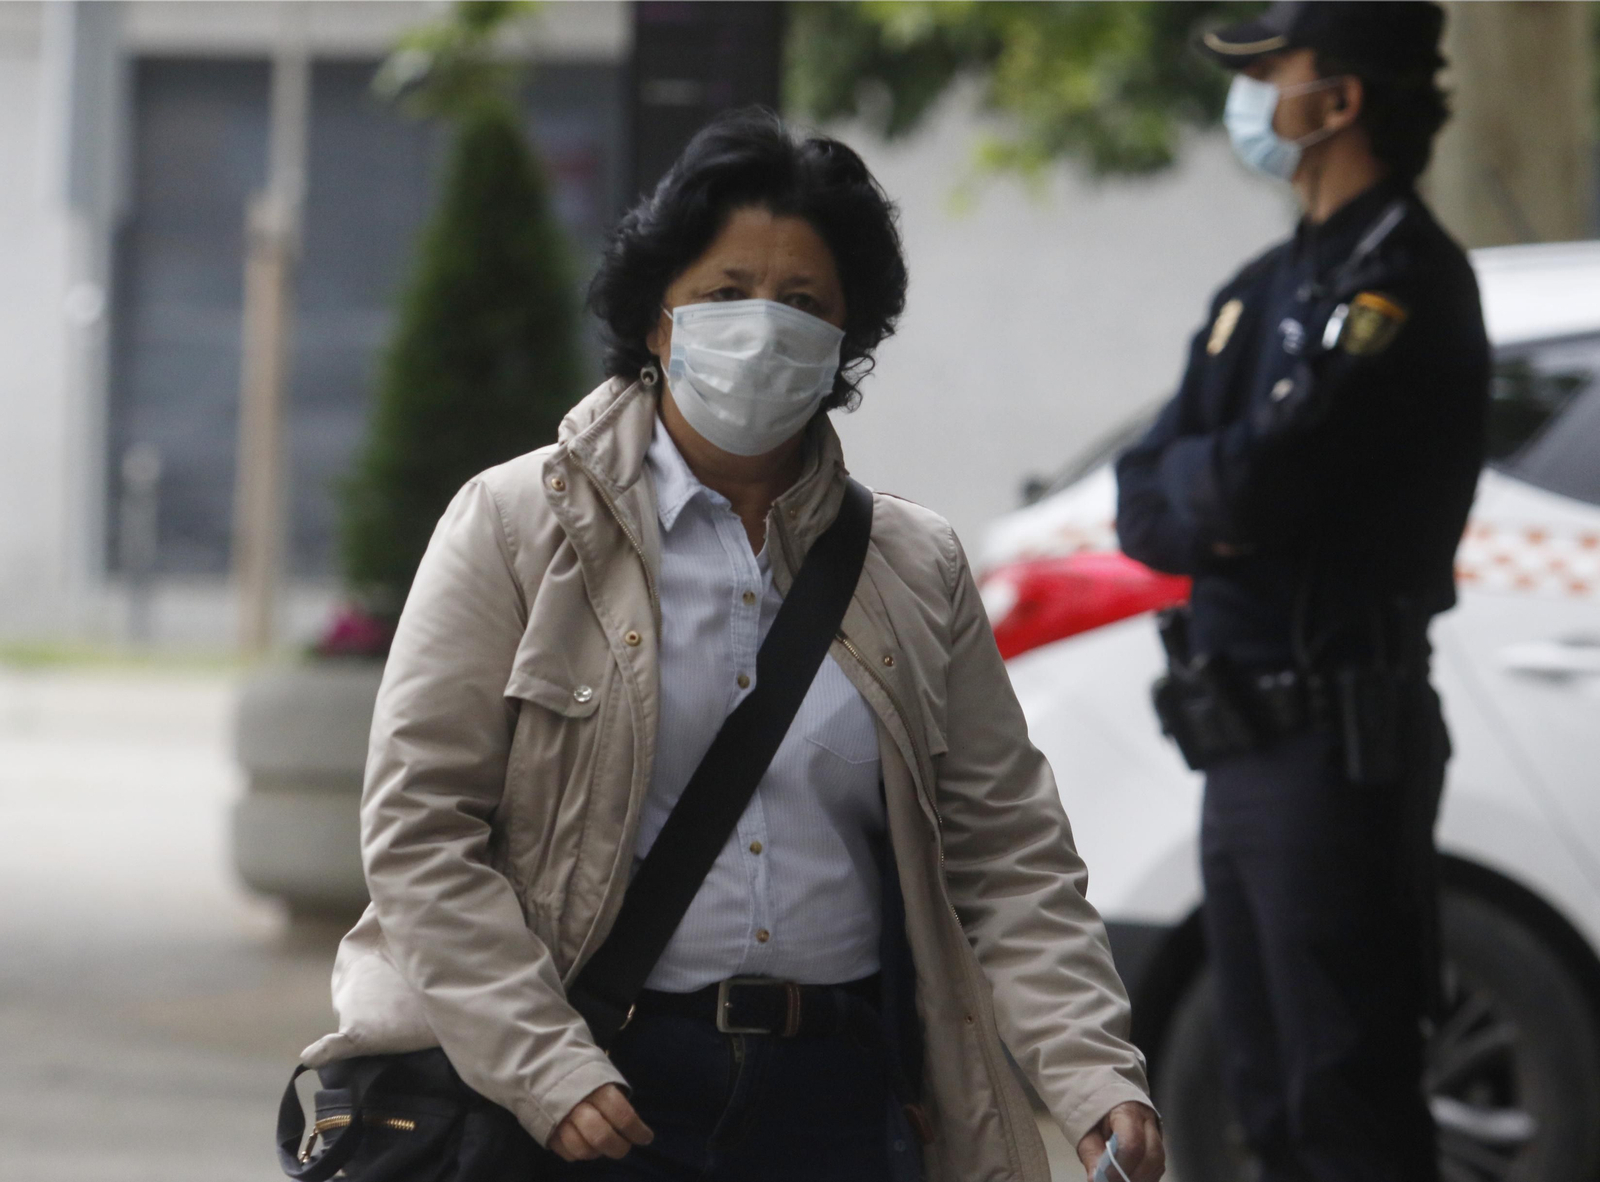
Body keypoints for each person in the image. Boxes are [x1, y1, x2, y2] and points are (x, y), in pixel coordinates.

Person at [303, 109, 1164, 1182]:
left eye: (803, 303)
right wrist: (544, 1066)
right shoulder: (519, 526)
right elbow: (422, 827)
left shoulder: (913, 565)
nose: (762, 329)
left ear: (847, 338)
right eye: (724, 295)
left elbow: (1008, 856)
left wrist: (1092, 1075)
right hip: (593, 1090)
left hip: (836, 1101)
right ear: (657, 320)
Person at [1114, 5, 1488, 1181]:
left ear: (1340, 102)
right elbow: (1146, 500)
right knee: (1264, 1095)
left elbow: (1265, 489)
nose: (1252, 98)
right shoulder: (1262, 287)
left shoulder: (1406, 284)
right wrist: (1214, 495)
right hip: (1240, 746)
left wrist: (1219, 497)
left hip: (1338, 742)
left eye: (1271, 73)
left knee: (1344, 1094)